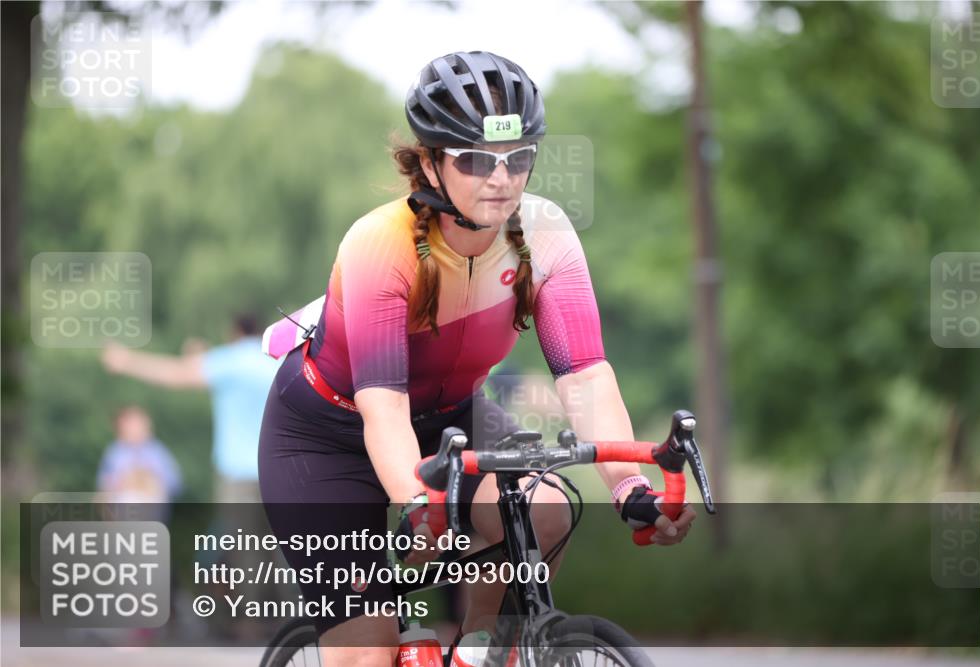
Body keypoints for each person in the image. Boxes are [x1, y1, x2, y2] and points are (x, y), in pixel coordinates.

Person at [258, 51, 697, 666]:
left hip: (447, 419)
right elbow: (381, 409)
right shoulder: (378, 243)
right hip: (327, 436)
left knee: (544, 513)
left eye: (519, 159)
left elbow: (586, 375)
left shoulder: (544, 232)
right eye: (476, 160)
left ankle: (482, 647)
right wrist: (421, 507)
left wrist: (629, 485)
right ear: (432, 165)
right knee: (366, 652)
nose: (502, 178)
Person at [102, 314, 278, 501]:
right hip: (279, 471)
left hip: (238, 473)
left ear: (236, 332)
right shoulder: (278, 362)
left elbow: (176, 374)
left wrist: (126, 361)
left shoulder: (229, 361)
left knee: (240, 531)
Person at [97, 405, 181, 509]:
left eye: (137, 424)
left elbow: (174, 483)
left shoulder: (157, 451)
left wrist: (150, 481)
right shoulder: (115, 452)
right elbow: (104, 485)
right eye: (130, 425)